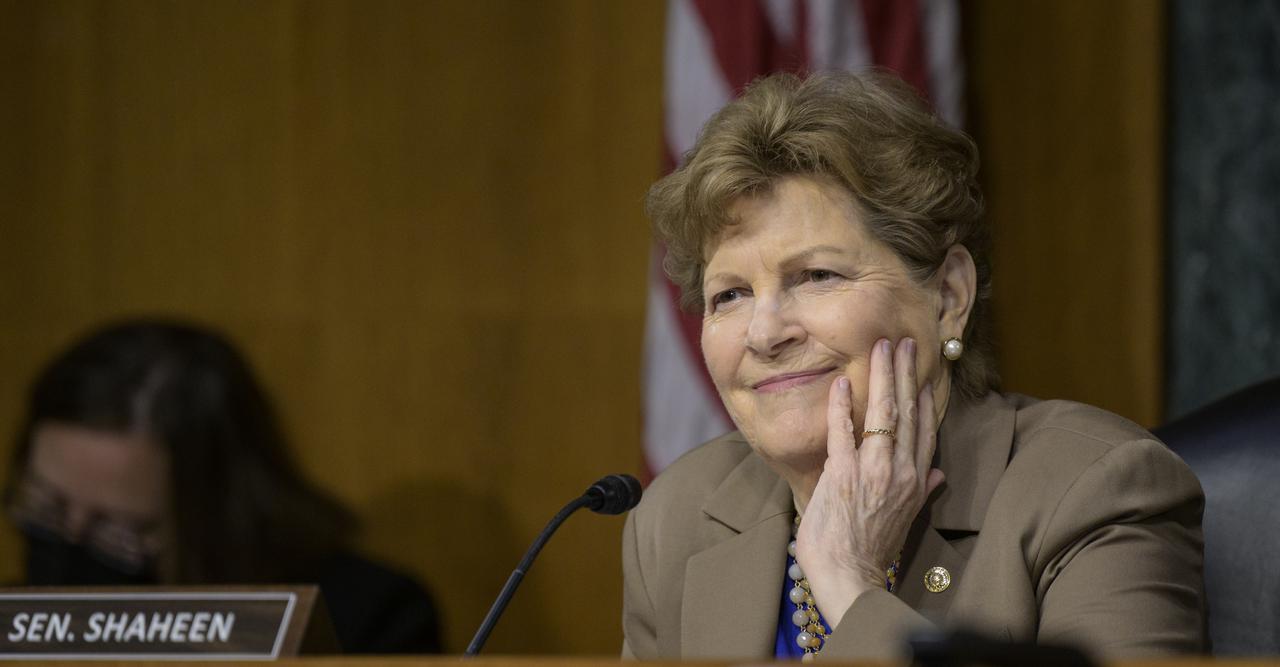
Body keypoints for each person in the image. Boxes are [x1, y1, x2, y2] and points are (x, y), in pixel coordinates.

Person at [624, 70, 1204, 662]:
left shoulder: (1091, 492)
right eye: (730, 295)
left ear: (949, 297)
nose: (765, 333)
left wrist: (848, 582)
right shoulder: (676, 518)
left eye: (817, 276)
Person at [4, 320, 441, 654]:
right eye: (47, 509)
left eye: (118, 531)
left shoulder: (368, 620)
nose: (70, 550)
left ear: (214, 513)